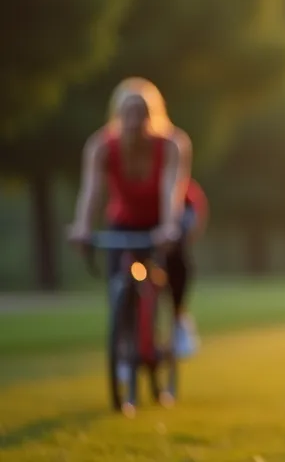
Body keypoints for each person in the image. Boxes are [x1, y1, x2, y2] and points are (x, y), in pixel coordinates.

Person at [68, 77, 207, 377]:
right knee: (118, 276)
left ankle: (180, 319)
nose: (133, 120)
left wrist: (169, 226)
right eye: (127, 112)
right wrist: (81, 226)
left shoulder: (171, 143)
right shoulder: (102, 147)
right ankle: (124, 345)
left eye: (141, 112)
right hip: (127, 217)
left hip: (173, 211)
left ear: (152, 114)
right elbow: (91, 191)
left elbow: (172, 187)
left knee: (176, 255)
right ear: (116, 113)